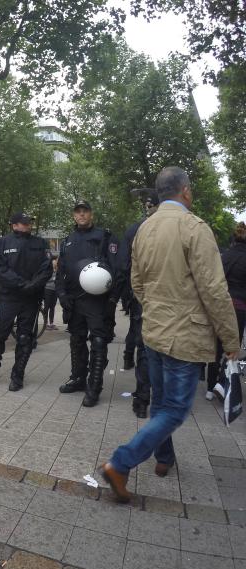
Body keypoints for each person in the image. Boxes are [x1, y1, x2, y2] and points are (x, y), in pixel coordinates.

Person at [101, 167, 239, 501]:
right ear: (186, 191)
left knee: (161, 403)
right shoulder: (194, 228)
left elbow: (137, 282)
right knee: (175, 410)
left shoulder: (144, 229)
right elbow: (214, 289)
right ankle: (121, 463)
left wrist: (155, 310)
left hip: (154, 330)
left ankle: (163, 459)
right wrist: (231, 339)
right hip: (185, 336)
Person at [0, 213, 52, 390]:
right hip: (8, 296)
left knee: (25, 337)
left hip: (31, 298)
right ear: (14, 225)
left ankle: (17, 376)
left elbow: (46, 268)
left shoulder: (40, 243)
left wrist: (32, 285)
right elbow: (0, 268)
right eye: (25, 223)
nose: (29, 225)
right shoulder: (3, 242)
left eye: (30, 222)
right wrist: (21, 284)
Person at [56, 200, 122, 407]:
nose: (82, 215)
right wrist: (61, 294)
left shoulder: (105, 237)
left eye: (85, 211)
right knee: (76, 340)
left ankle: (94, 386)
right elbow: (61, 271)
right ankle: (77, 378)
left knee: (99, 342)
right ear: (74, 216)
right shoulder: (68, 240)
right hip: (74, 300)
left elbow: (117, 270)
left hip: (97, 301)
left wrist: (112, 299)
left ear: (91, 215)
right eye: (78, 212)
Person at [120, 195, 160, 417]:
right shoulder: (180, 225)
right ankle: (155, 398)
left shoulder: (135, 230)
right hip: (169, 300)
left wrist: (132, 295)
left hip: (143, 298)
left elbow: (126, 266)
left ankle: (142, 399)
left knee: (144, 348)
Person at [206, 221, 246, 398]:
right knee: (232, 347)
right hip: (240, 308)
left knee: (217, 347)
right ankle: (223, 382)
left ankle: (209, 387)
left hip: (221, 305)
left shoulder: (225, 256)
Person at [43, 257, 58, 330]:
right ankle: (45, 324)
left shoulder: (58, 271)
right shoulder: (48, 271)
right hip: (48, 290)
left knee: (53, 307)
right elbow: (45, 280)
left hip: (55, 291)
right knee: (46, 307)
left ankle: (51, 323)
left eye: (56, 262)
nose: (55, 263)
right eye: (54, 262)